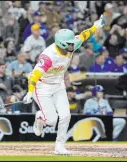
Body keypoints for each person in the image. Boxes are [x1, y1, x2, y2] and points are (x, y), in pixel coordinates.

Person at [23, 15, 105, 155]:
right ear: (61, 44)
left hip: (58, 85)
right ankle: (40, 117)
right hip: (42, 87)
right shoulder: (49, 56)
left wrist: (96, 26)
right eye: (70, 44)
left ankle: (59, 146)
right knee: (52, 120)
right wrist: (30, 91)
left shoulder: (71, 45)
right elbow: (35, 74)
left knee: (66, 116)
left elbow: (84, 35)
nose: (73, 46)